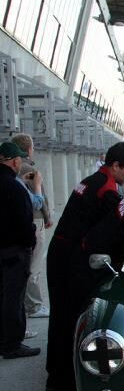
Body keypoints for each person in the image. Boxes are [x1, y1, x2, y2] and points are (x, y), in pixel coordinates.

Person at [46, 142, 124, 391]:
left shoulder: (93, 181)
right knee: (71, 322)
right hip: (70, 260)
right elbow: (114, 230)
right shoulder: (106, 190)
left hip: (63, 253)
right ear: (115, 166)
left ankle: (55, 379)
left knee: (61, 319)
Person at [0, 142, 40, 360]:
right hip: (15, 251)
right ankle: (13, 344)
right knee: (14, 298)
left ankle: (3, 340)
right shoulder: (15, 188)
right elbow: (25, 222)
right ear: (14, 161)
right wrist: (29, 243)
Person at [12, 134, 52, 321]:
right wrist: (48, 217)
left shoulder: (16, 170)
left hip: (22, 221)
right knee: (34, 265)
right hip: (35, 221)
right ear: (28, 149)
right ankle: (34, 305)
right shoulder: (28, 169)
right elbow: (40, 196)